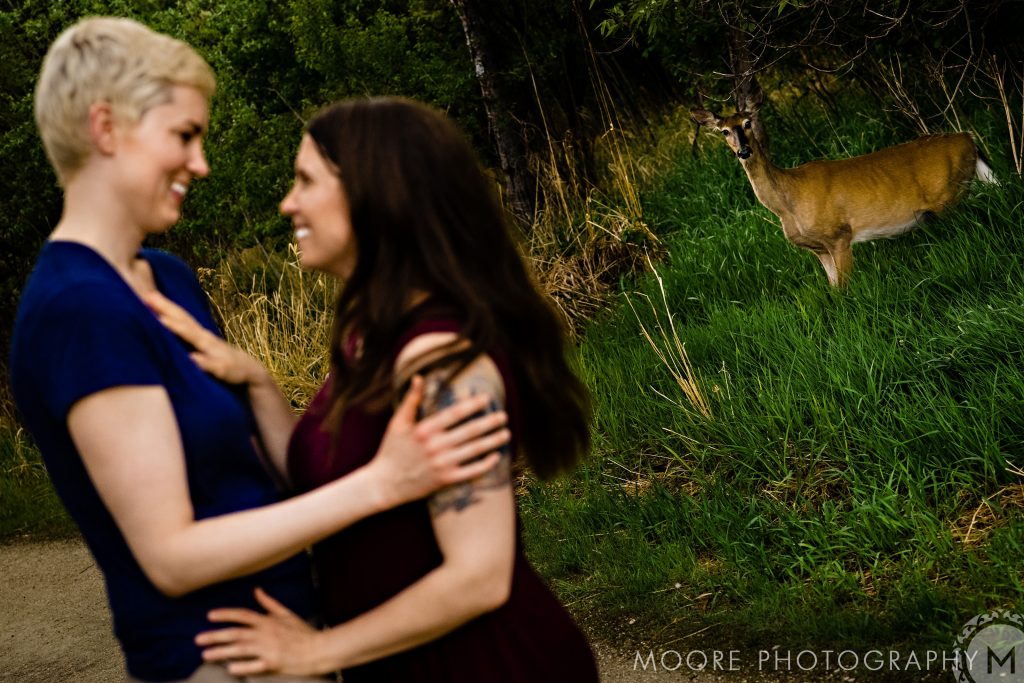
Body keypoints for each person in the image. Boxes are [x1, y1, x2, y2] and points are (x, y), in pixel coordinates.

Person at [8, 17, 508, 683]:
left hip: (294, 636)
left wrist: (258, 384)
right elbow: (172, 556)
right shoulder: (79, 308)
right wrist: (383, 481)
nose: (201, 163)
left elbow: (251, 472)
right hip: (219, 659)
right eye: (184, 135)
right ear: (106, 129)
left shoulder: (167, 278)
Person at [150, 97, 600, 682]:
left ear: (375, 194)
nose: (288, 203)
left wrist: (316, 651)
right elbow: (324, 474)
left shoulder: (439, 363)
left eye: (306, 180)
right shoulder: (370, 337)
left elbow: (480, 574)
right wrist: (256, 380)